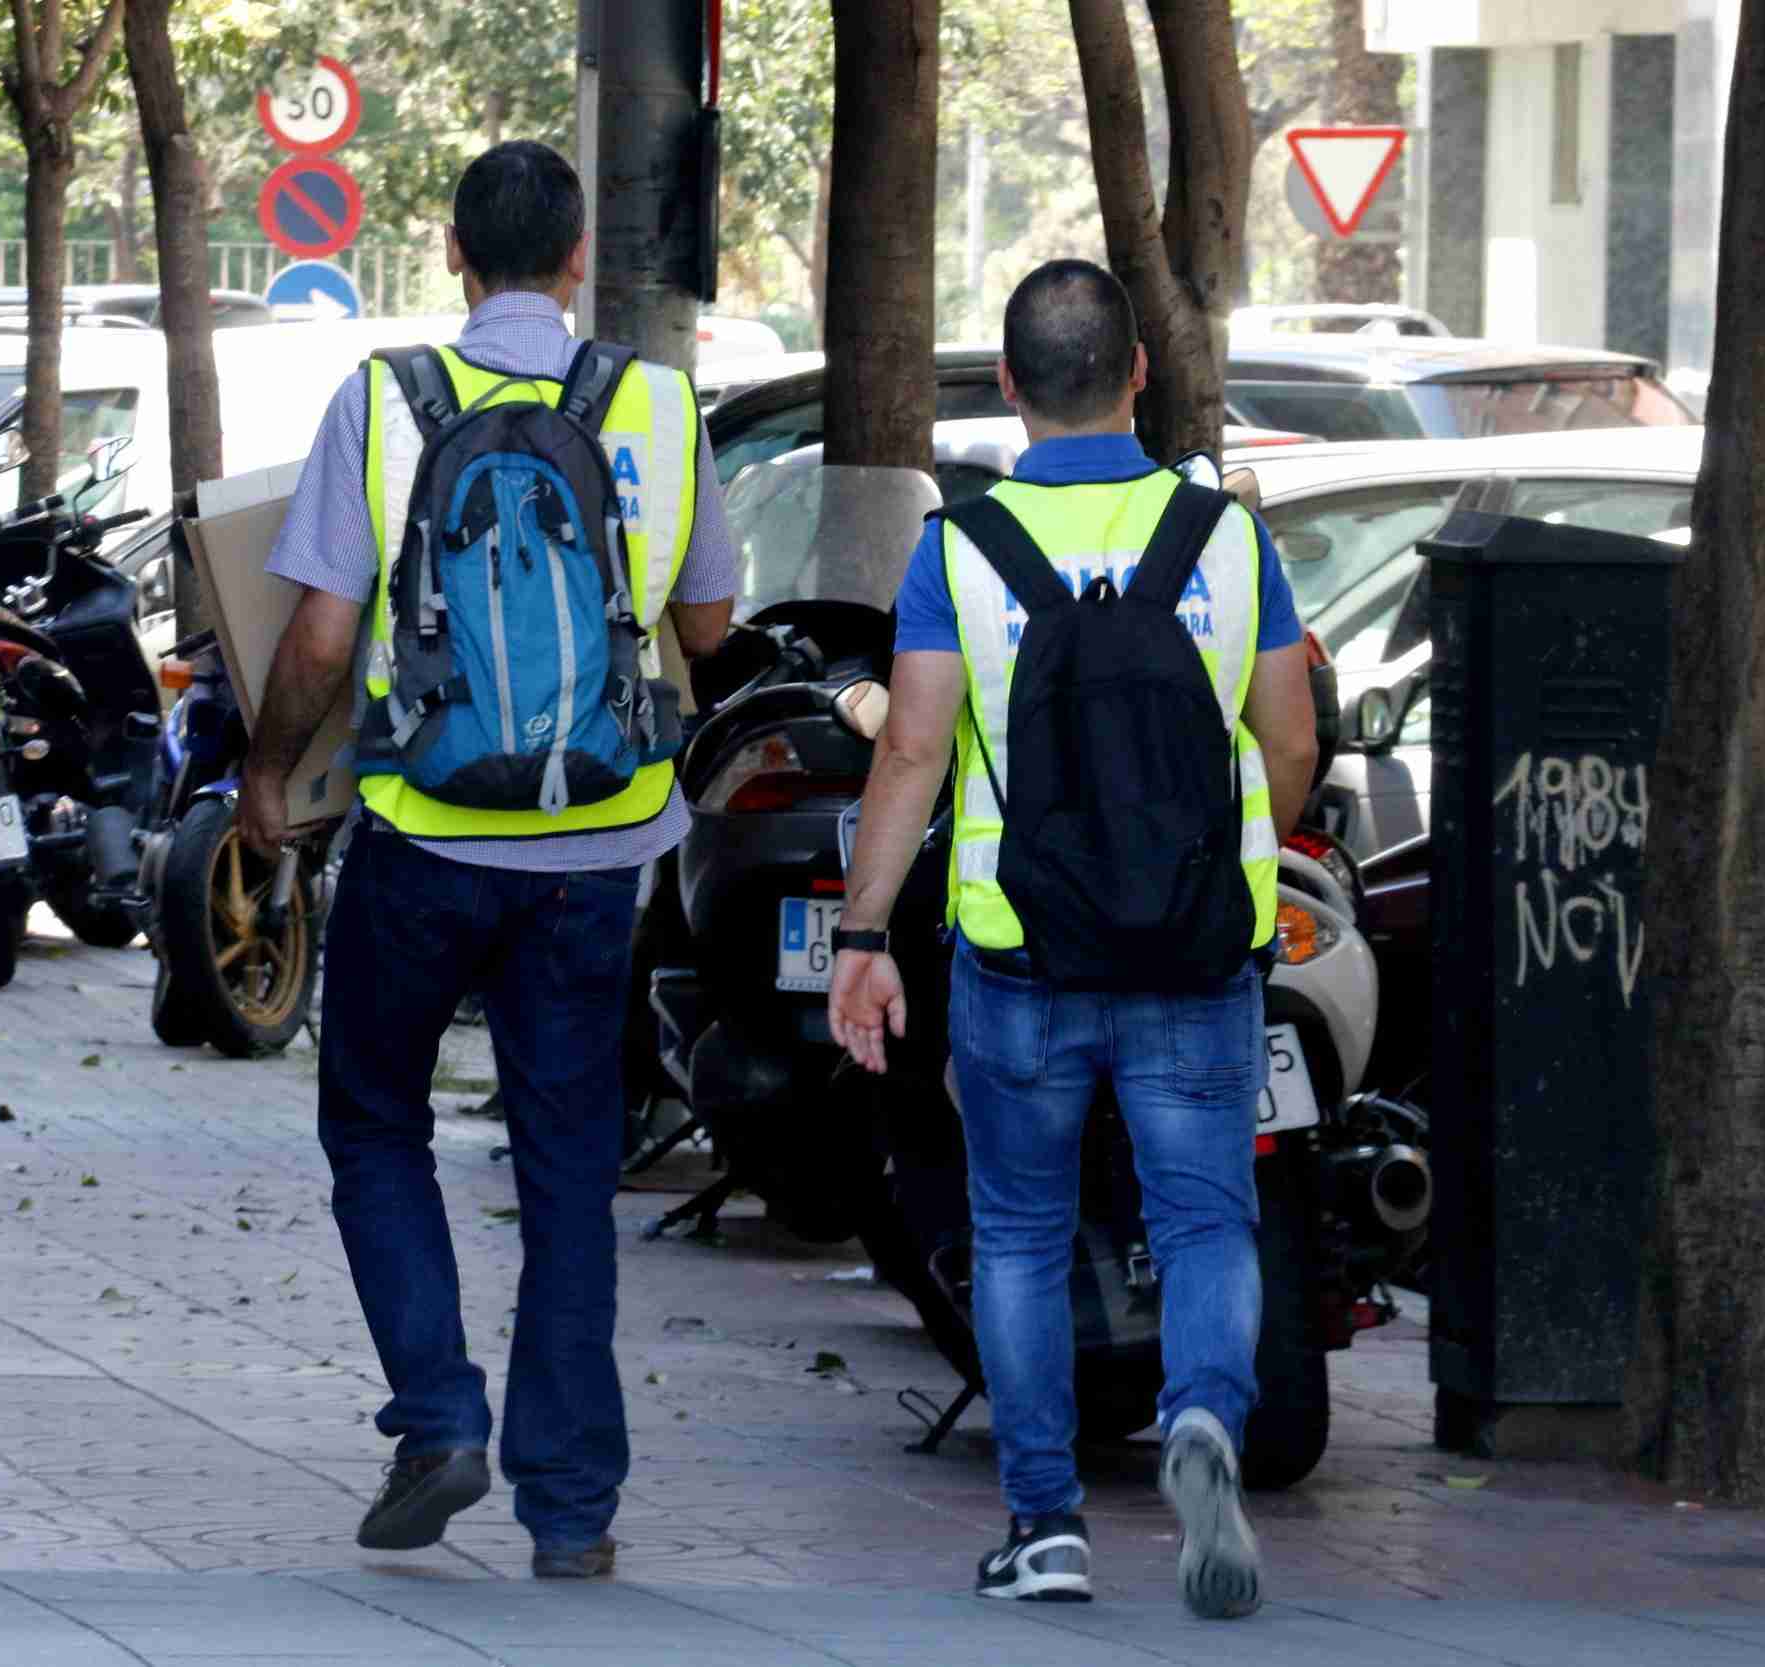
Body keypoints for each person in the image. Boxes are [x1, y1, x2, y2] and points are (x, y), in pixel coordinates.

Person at [240, 140, 738, 1580]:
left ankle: (440, 1415)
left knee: (376, 1120)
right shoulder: (657, 405)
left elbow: (325, 638)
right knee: (570, 1165)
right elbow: (707, 634)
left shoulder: (387, 401)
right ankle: (571, 1509)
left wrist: (269, 774)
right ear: (579, 260)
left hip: (426, 835)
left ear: (452, 256)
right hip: (597, 850)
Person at [825, 260, 1318, 1614]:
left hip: (1021, 961)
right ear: (1140, 376)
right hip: (1196, 957)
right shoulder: (1228, 540)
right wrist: (1215, 860)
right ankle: (1204, 1415)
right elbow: (1290, 743)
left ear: (1005, 386)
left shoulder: (960, 551)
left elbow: (914, 751)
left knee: (1025, 1235)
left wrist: (864, 934)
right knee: (1209, 1218)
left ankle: (1044, 1526)